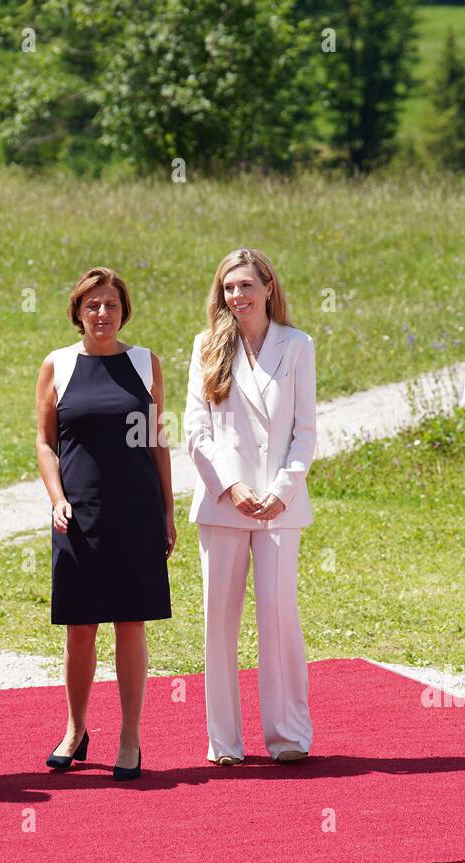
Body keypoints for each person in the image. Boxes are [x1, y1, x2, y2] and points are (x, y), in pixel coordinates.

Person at [35, 267, 174, 781]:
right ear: (77, 312)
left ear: (123, 310)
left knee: (130, 624)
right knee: (80, 629)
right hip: (78, 514)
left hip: (136, 511)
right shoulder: (58, 365)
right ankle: (75, 728)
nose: (101, 313)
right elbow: (45, 442)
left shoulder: (145, 364)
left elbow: (158, 439)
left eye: (110, 304)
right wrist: (56, 498)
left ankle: (130, 737)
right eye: (92, 305)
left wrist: (167, 510)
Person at [183, 248, 317, 766]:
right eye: (228, 287)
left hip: (280, 506)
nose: (236, 296)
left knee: (279, 614)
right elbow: (195, 430)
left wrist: (281, 491)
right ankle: (224, 742)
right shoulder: (207, 346)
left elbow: (305, 432)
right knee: (219, 620)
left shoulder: (298, 345)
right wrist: (232, 487)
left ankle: (288, 735)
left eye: (245, 286)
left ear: (267, 286)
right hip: (224, 504)